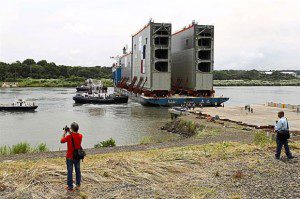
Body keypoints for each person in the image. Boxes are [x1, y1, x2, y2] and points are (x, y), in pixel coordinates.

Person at [61, 122, 83, 191]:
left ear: (72, 129)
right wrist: (70, 131)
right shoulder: (80, 136)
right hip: (77, 156)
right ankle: (78, 185)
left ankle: (70, 187)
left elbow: (61, 141)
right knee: (78, 170)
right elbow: (74, 135)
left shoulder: (69, 136)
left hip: (69, 156)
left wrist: (64, 132)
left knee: (70, 172)